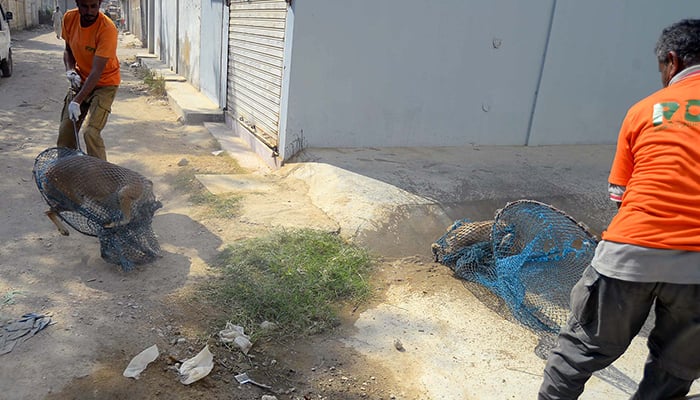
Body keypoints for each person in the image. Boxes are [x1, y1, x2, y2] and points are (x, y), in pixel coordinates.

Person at [539, 19, 700, 399]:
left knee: (579, 351)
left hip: (630, 253)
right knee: (674, 370)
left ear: (672, 62)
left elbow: (620, 197)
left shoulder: (644, 110)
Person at [57, 0, 120, 161]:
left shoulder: (107, 29)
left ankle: (101, 177)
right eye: (85, 6)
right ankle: (66, 173)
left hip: (105, 83)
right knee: (66, 131)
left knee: (90, 133)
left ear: (99, 4)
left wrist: (77, 101)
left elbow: (97, 72)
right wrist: (70, 70)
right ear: (77, 3)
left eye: (94, 6)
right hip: (80, 80)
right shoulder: (69, 18)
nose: (89, 11)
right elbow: (68, 50)